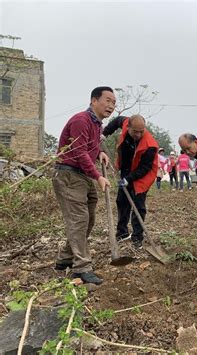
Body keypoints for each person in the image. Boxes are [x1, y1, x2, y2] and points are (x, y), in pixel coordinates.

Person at [53, 86, 114, 285]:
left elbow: (91, 146)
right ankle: (81, 268)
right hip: (69, 175)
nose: (111, 105)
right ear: (94, 101)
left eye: (113, 102)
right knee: (79, 220)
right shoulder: (81, 120)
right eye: (107, 100)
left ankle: (64, 258)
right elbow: (79, 153)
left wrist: (100, 153)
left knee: (88, 219)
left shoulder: (97, 125)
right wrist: (98, 176)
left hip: (81, 176)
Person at [102, 114, 158, 249]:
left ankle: (137, 238)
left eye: (141, 131)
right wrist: (104, 134)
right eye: (135, 132)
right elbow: (115, 121)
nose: (138, 134)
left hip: (142, 175)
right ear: (128, 127)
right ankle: (122, 233)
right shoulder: (124, 121)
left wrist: (129, 179)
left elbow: (145, 167)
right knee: (122, 201)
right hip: (126, 169)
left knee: (138, 205)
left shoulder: (150, 145)